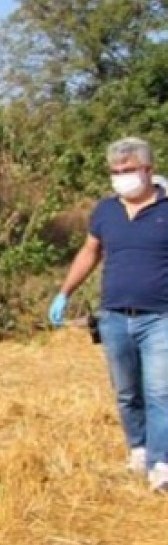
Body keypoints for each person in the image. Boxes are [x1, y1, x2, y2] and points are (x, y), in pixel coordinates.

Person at [49, 137, 168, 493]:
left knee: (160, 391)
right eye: (115, 171)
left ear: (148, 169)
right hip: (114, 317)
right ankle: (139, 449)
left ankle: (161, 463)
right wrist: (64, 292)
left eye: (127, 170)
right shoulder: (106, 210)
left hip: (160, 317)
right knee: (127, 391)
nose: (121, 177)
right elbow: (90, 252)